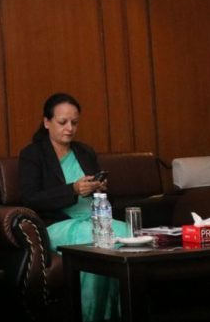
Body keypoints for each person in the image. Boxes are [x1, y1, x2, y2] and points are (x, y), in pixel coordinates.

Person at [19, 92, 127, 322]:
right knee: (94, 241)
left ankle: (120, 314)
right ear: (47, 122)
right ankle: (90, 316)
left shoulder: (85, 151)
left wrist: (99, 188)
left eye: (74, 122)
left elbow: (105, 197)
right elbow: (31, 199)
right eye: (62, 122)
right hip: (57, 225)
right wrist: (73, 190)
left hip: (94, 218)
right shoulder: (33, 154)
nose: (70, 128)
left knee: (126, 232)